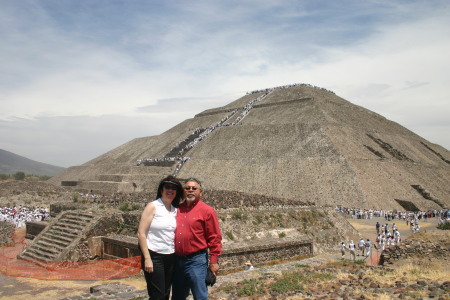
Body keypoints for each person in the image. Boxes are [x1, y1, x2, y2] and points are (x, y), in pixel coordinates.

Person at [172, 178, 222, 300]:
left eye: (194, 188)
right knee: (178, 295)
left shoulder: (207, 211)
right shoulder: (176, 209)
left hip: (196, 260)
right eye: (187, 188)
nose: (190, 190)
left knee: (200, 296)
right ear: (183, 191)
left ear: (201, 192)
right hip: (177, 260)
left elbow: (214, 237)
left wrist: (214, 261)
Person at [137, 176, 183, 300]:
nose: (170, 190)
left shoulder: (175, 210)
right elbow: (141, 233)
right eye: (167, 186)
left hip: (170, 255)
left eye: (174, 188)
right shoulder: (153, 206)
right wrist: (147, 258)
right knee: (157, 295)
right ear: (161, 189)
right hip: (154, 255)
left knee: (166, 293)